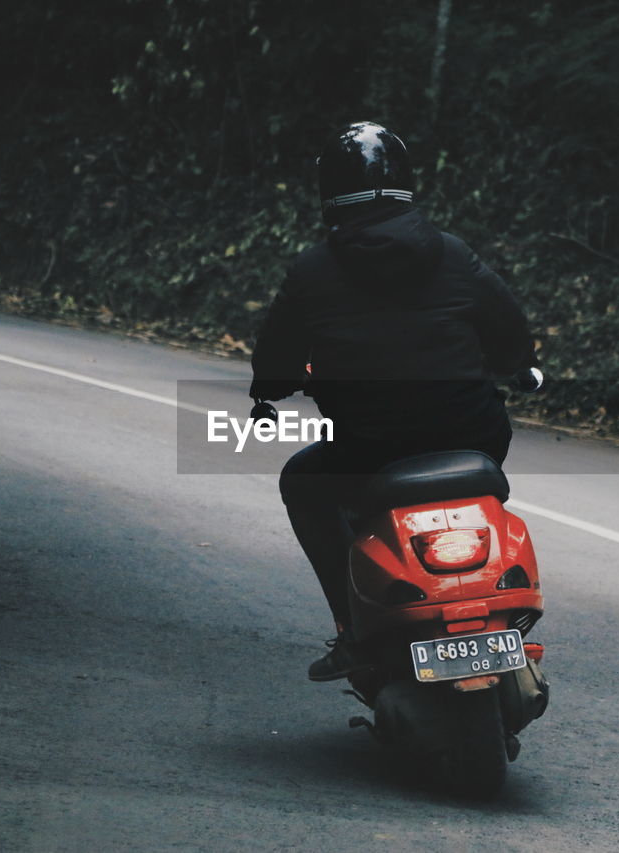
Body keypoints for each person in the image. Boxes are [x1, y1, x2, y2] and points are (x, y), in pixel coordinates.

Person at [249, 121, 538, 681]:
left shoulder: (313, 270)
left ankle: (353, 629)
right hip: (472, 435)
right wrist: (520, 365)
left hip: (365, 448)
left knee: (302, 484)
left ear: (329, 192)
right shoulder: (453, 255)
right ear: (406, 183)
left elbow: (276, 356)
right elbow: (507, 326)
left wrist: (271, 387)